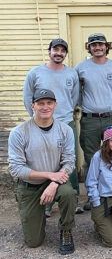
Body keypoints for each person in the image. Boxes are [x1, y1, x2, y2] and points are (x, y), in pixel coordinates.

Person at [8, 88, 76, 254]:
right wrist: (49, 175)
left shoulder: (65, 130)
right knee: (33, 242)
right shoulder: (19, 132)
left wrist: (53, 182)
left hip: (56, 183)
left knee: (68, 193)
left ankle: (66, 229)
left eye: (49, 103)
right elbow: (16, 169)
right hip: (30, 185)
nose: (45, 107)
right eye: (40, 103)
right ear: (33, 106)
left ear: (55, 105)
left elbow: (69, 162)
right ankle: (37, 219)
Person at [23, 37, 81, 214]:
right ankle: (47, 203)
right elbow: (28, 98)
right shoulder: (35, 73)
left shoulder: (71, 74)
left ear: (65, 54)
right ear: (49, 52)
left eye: (62, 50)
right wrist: (37, 118)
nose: (59, 53)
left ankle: (73, 199)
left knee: (69, 160)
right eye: (55, 50)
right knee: (46, 162)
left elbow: (75, 97)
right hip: (43, 125)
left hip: (66, 122)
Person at [75, 33, 112, 210]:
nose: (97, 47)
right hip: (89, 120)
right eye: (93, 45)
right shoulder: (81, 68)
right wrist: (90, 105)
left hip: (110, 117)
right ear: (89, 47)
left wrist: (107, 104)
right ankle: (92, 196)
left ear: (106, 47)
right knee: (91, 159)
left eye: (100, 44)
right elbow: (77, 93)